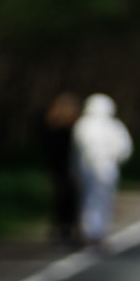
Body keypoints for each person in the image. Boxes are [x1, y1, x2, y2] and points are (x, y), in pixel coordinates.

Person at [72, 93, 132, 246]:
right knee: (104, 200)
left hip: (87, 166)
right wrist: (115, 158)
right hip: (106, 166)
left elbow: (77, 149)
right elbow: (125, 148)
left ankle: (91, 233)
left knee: (90, 199)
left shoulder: (83, 124)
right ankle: (97, 233)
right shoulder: (114, 125)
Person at [42, 93, 81, 242]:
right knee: (68, 198)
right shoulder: (69, 129)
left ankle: (61, 228)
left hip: (57, 167)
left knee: (60, 198)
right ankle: (67, 228)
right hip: (65, 167)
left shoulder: (52, 126)